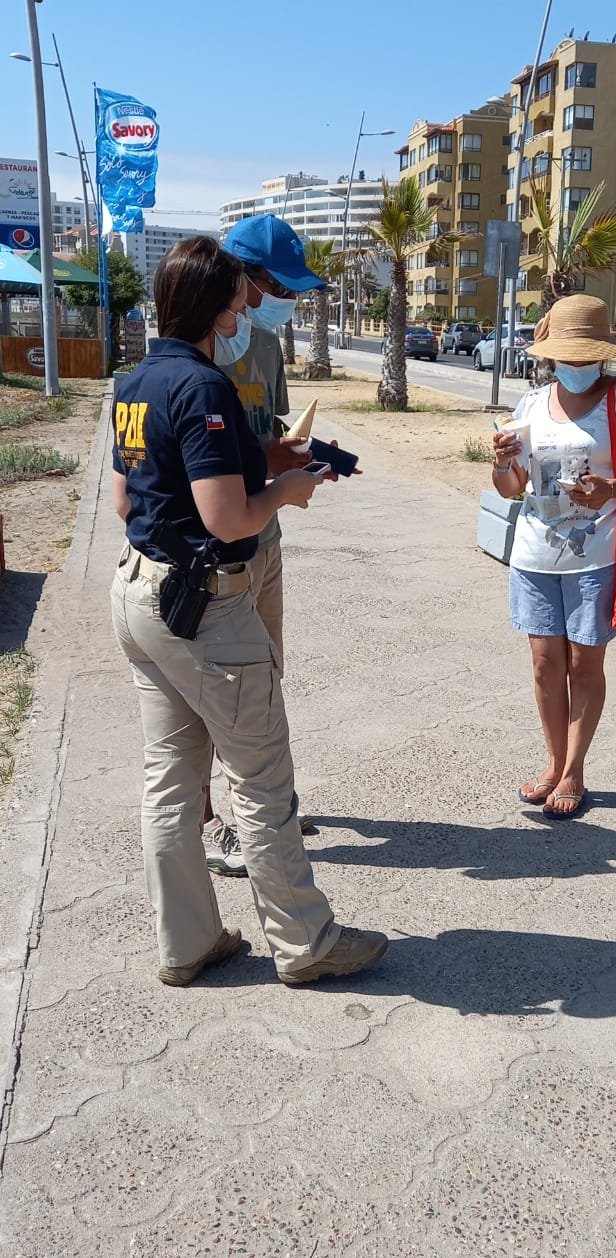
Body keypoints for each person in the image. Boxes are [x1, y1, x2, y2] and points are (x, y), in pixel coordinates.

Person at [111, 235, 387, 985]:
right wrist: (286, 495)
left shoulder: (133, 382)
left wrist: (280, 460)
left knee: (169, 780)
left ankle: (188, 944)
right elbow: (230, 516)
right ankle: (306, 943)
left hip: (141, 593)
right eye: (237, 304)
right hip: (206, 607)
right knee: (262, 783)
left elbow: (124, 497)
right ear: (210, 307)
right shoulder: (202, 387)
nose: (245, 315)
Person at [491, 295, 616, 819]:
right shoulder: (530, 406)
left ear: (603, 355)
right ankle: (553, 761)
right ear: (551, 356)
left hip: (597, 557)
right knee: (545, 664)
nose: (579, 366)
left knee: (585, 662)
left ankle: (574, 770)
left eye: (588, 357)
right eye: (570, 356)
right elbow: (510, 488)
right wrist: (501, 464)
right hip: (535, 555)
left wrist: (610, 488)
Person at [201, 214, 329, 875]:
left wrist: (295, 463)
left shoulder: (270, 348)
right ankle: (206, 819)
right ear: (244, 277)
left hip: (264, 536)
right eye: (283, 288)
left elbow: (269, 430)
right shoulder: (192, 345)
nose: (290, 303)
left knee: (264, 676)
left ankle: (268, 800)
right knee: (207, 691)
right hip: (211, 549)